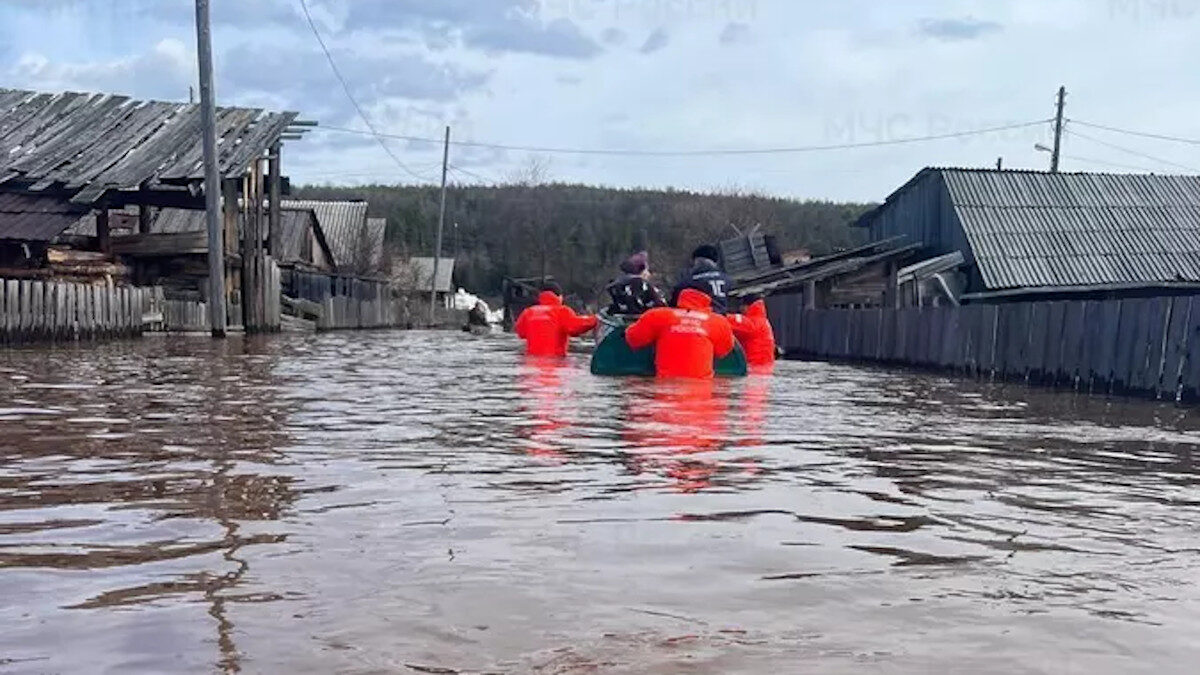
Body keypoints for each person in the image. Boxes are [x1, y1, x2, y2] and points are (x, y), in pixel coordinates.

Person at [624, 287, 735, 378]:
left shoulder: (657, 316)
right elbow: (724, 351)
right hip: (703, 391)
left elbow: (633, 339)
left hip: (665, 389)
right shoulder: (719, 322)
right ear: (708, 300)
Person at [514, 282, 598, 356]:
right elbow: (576, 327)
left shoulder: (528, 312)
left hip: (530, 362)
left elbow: (521, 333)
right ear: (559, 297)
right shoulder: (562, 311)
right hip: (555, 361)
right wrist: (596, 319)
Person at [670, 244, 733, 314]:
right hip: (723, 320)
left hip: (701, 320)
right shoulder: (727, 279)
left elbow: (674, 305)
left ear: (698, 261)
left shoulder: (688, 283)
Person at [605, 251, 666, 315]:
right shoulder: (645, 287)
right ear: (642, 271)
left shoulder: (616, 286)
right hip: (645, 320)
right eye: (647, 270)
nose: (649, 274)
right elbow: (662, 307)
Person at [728, 294, 776, 368]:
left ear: (746, 306)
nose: (740, 309)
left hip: (753, 367)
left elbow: (731, 321)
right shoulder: (763, 321)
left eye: (741, 306)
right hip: (766, 366)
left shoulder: (752, 323)